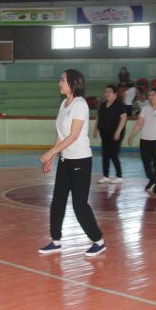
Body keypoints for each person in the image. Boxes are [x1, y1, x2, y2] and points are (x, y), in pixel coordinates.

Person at [39, 69, 106, 257]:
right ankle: (56, 241)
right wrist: (53, 156)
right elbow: (61, 134)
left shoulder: (80, 105)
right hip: (65, 159)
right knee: (57, 201)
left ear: (73, 83)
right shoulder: (64, 104)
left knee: (79, 204)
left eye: (62, 80)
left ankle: (98, 241)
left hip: (80, 160)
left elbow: (73, 136)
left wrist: (51, 151)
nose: (59, 83)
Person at [127, 88, 156, 196]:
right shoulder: (145, 109)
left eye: (153, 95)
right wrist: (132, 135)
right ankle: (152, 180)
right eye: (149, 95)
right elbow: (139, 123)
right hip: (144, 141)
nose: (151, 97)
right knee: (146, 163)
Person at [93, 84, 127, 184]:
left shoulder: (119, 105)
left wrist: (118, 131)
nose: (107, 93)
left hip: (115, 133)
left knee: (113, 154)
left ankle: (119, 176)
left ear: (115, 94)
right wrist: (95, 129)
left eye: (109, 92)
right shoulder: (103, 105)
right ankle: (106, 176)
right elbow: (98, 117)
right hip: (104, 133)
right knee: (105, 154)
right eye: (106, 92)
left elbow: (124, 118)